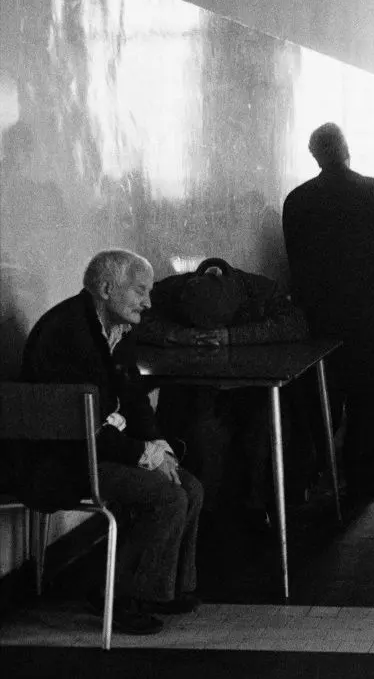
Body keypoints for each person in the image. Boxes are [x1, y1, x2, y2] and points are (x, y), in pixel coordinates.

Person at [15, 250, 202, 635]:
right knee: (169, 496)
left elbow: (132, 397)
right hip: (65, 459)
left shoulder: (116, 327)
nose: (148, 302)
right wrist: (144, 455)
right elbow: (84, 427)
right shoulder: (67, 334)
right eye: (139, 291)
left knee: (189, 485)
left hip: (99, 446)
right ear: (105, 288)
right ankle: (118, 595)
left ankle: (165, 589)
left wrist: (158, 446)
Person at [135, 257, 310, 528]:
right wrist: (179, 335)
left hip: (254, 388)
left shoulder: (261, 290)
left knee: (262, 430)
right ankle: (204, 513)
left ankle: (255, 506)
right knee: (201, 433)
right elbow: (137, 317)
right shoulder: (171, 291)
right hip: (195, 387)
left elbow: (296, 324)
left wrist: (233, 336)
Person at [283, 122, 374, 500]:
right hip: (368, 312)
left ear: (314, 155)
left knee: (324, 394)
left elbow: (297, 262)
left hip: (320, 316)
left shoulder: (297, 200)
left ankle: (317, 469)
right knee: (368, 394)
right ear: (346, 149)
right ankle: (361, 473)